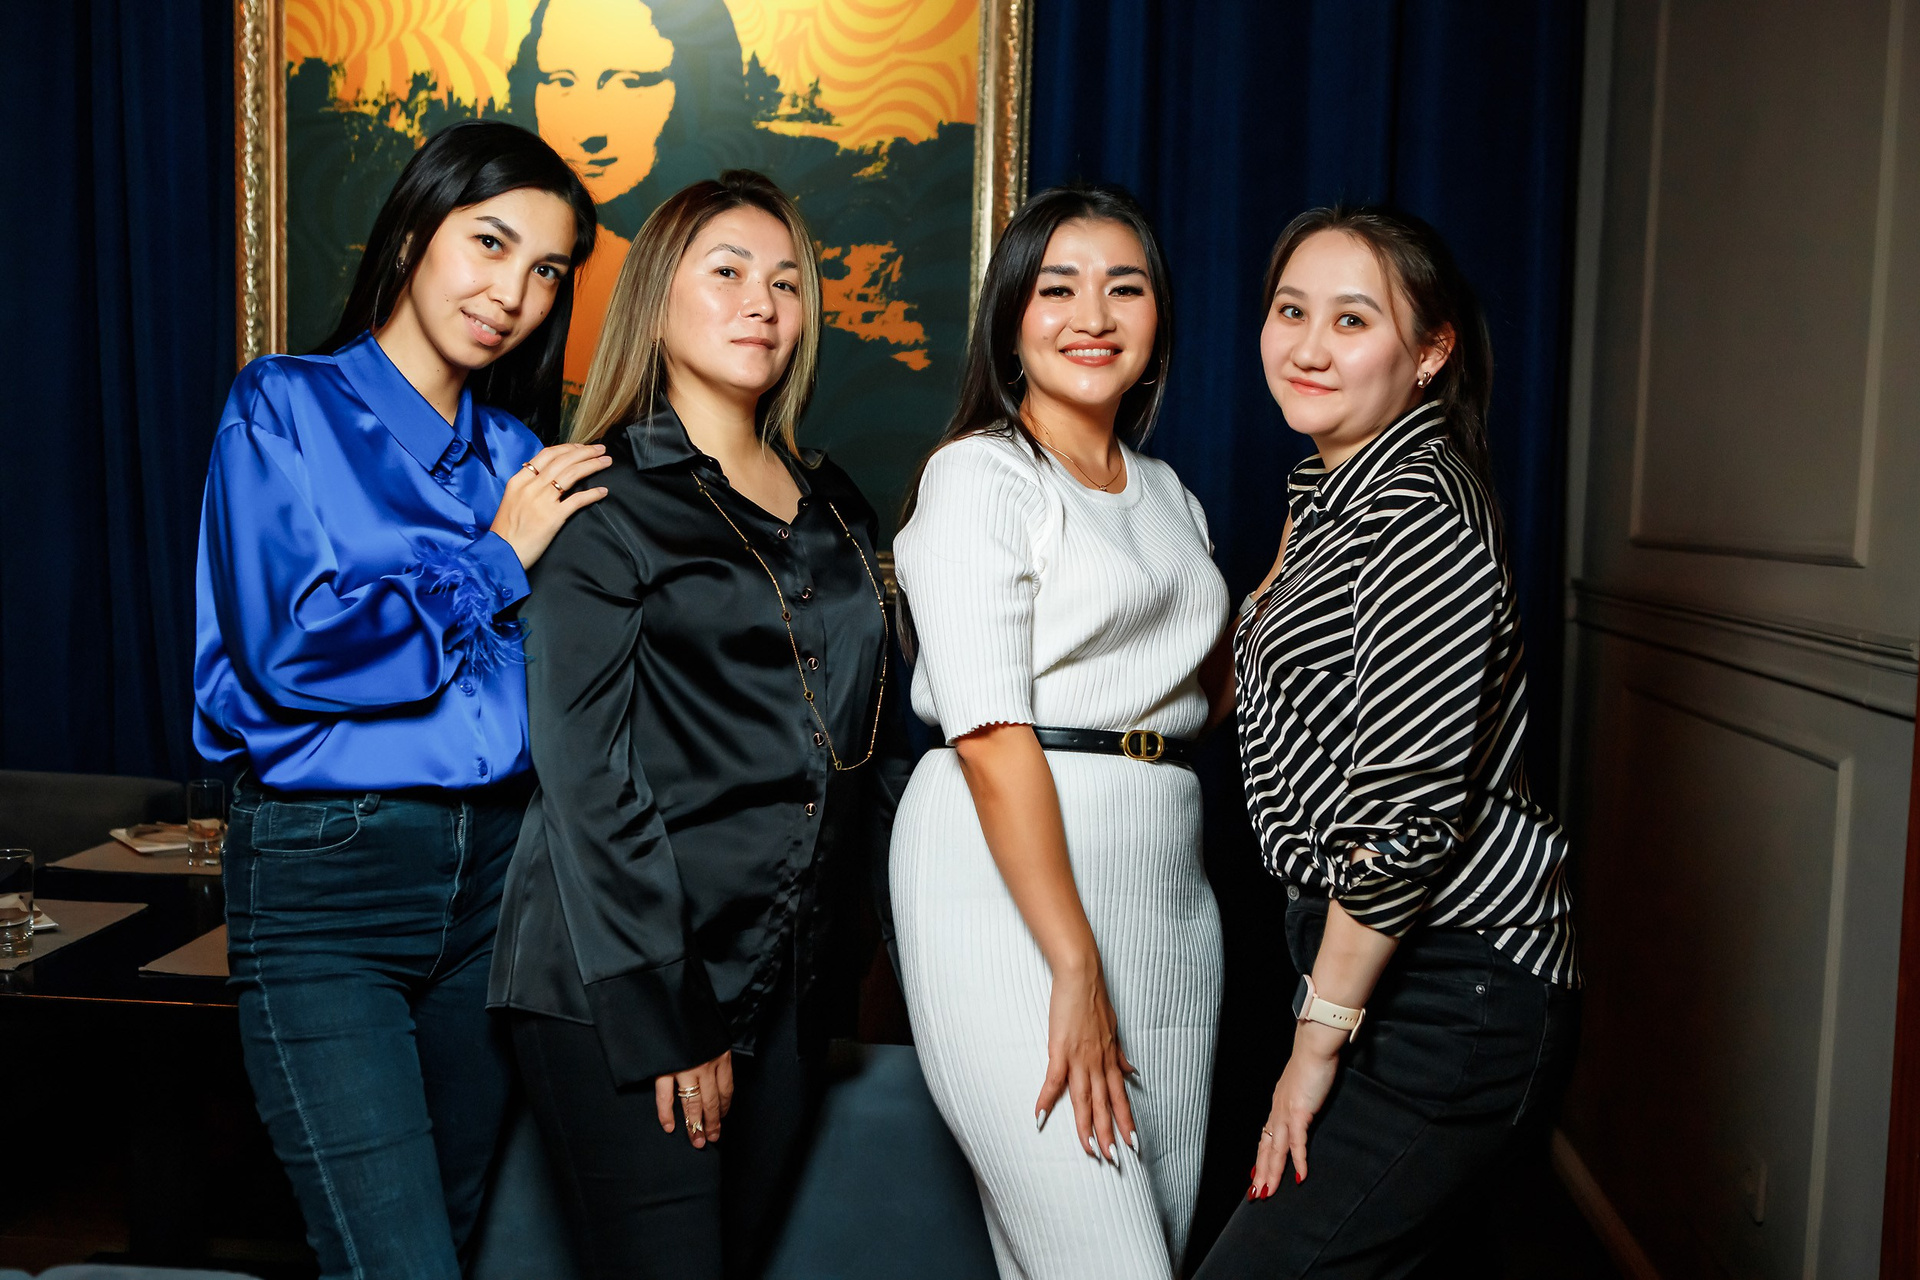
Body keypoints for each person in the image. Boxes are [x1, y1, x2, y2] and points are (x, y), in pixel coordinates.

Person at [194, 119, 605, 1280]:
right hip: (332, 870)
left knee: (447, 1244)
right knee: (396, 1261)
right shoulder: (284, 405)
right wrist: (497, 559)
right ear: (416, 230)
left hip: (499, 882)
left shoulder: (519, 453)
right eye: (491, 242)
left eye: (547, 269)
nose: (514, 293)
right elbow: (294, 653)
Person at [488, 170, 897, 1280]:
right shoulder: (600, 498)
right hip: (625, 977)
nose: (762, 301)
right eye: (727, 273)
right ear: (657, 299)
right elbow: (587, 779)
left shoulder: (837, 505)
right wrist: (670, 1012)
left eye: (787, 282)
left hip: (787, 974)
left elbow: (866, 737)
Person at [1194, 207, 1580, 1278]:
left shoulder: (1418, 509)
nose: (1309, 347)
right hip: (1366, 962)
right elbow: (1251, 687)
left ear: (1431, 350)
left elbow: (1407, 824)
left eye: (1353, 319)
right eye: (1290, 311)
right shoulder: (1326, 494)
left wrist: (1313, 1045)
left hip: (1453, 979)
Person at [889, 184, 1233, 1278]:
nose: (1093, 315)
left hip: (1168, 887)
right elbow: (991, 736)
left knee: (1146, 1245)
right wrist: (1073, 963)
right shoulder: (980, 475)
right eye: (1058, 287)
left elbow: (1196, 694)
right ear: (1010, 319)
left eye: (1125, 288)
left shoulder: (1171, 496)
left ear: (1158, 320)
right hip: (1004, 890)